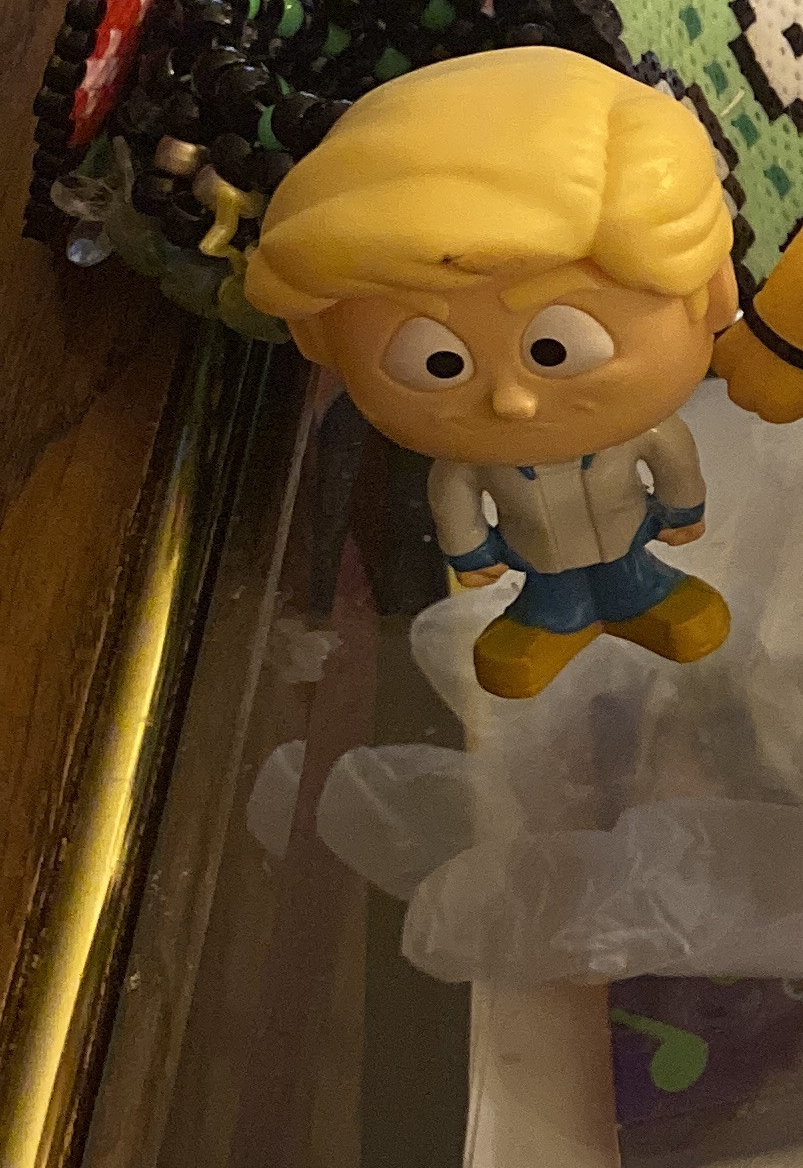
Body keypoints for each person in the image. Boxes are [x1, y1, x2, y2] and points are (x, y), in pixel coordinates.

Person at [243, 45, 739, 700]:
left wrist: (681, 508)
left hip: (625, 531)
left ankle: (641, 593)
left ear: (713, 291)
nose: (512, 402)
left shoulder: (638, 432)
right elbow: (454, 494)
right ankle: (553, 618)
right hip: (540, 555)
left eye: (557, 349)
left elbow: (670, 454)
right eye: (437, 363)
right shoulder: (470, 462)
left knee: (634, 579)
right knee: (553, 596)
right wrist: (471, 552)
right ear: (320, 343)